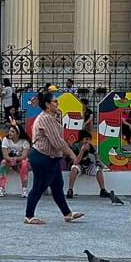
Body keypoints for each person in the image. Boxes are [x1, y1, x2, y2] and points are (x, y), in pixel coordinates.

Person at [23, 92, 84, 226]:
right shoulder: (45, 118)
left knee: (57, 186)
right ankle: (29, 216)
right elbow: (57, 142)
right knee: (39, 186)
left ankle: (67, 214)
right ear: (47, 104)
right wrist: (72, 155)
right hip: (42, 157)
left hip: (52, 158)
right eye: (55, 101)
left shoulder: (52, 117)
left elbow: (58, 140)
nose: (57, 103)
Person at [68, 128, 111, 201]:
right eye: (86, 139)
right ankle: (70, 190)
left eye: (89, 139)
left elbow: (95, 154)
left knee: (98, 170)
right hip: (78, 164)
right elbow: (76, 161)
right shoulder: (75, 146)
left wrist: (97, 161)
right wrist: (82, 150)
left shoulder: (89, 145)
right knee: (73, 169)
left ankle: (103, 190)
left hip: (87, 164)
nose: (88, 141)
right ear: (81, 139)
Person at [0, 123, 28, 197]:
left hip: (19, 160)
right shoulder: (6, 140)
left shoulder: (25, 141)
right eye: (10, 131)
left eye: (12, 132)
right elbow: (5, 155)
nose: (9, 133)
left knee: (24, 163)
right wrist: (11, 160)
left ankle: (24, 189)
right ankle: (1, 188)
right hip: (9, 160)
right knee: (3, 163)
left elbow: (24, 156)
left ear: (18, 133)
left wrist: (16, 159)